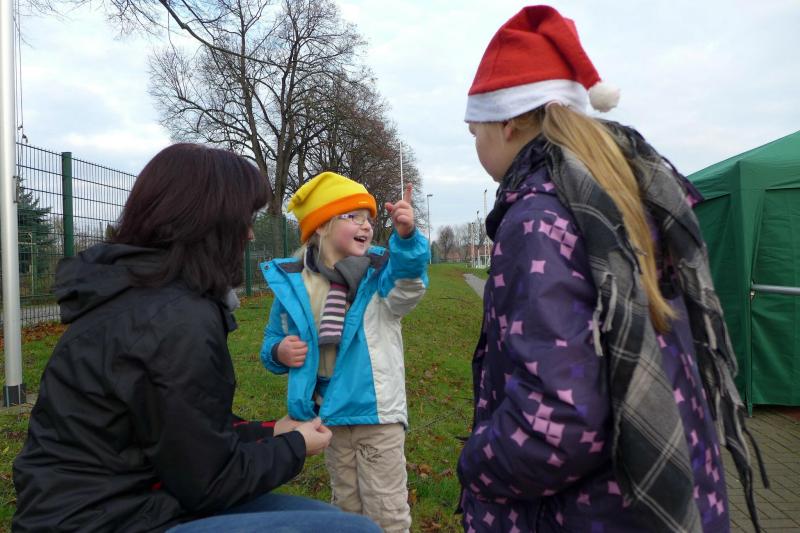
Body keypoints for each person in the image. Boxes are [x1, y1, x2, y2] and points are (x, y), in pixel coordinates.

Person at [457, 6, 766, 532]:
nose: (477, 145)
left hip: (589, 512)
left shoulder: (537, 217)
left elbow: (559, 422)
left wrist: (476, 463)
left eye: (475, 132)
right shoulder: (630, 193)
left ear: (507, 121)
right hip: (666, 492)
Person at [12, 144, 380, 533]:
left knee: (333, 520)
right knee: (356, 531)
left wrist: (270, 432)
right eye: (245, 220)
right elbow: (211, 483)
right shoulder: (174, 320)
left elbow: (187, 434)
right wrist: (295, 446)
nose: (250, 234)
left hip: (136, 496)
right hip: (102, 520)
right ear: (210, 222)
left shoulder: (145, 297)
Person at [259, 171, 429, 532]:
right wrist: (278, 351)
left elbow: (409, 286)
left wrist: (407, 239)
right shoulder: (295, 284)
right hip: (330, 414)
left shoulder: (380, 276)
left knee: (386, 510)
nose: (366, 225)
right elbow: (271, 340)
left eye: (369, 219)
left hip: (376, 414)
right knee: (347, 508)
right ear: (321, 226)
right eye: (353, 216)